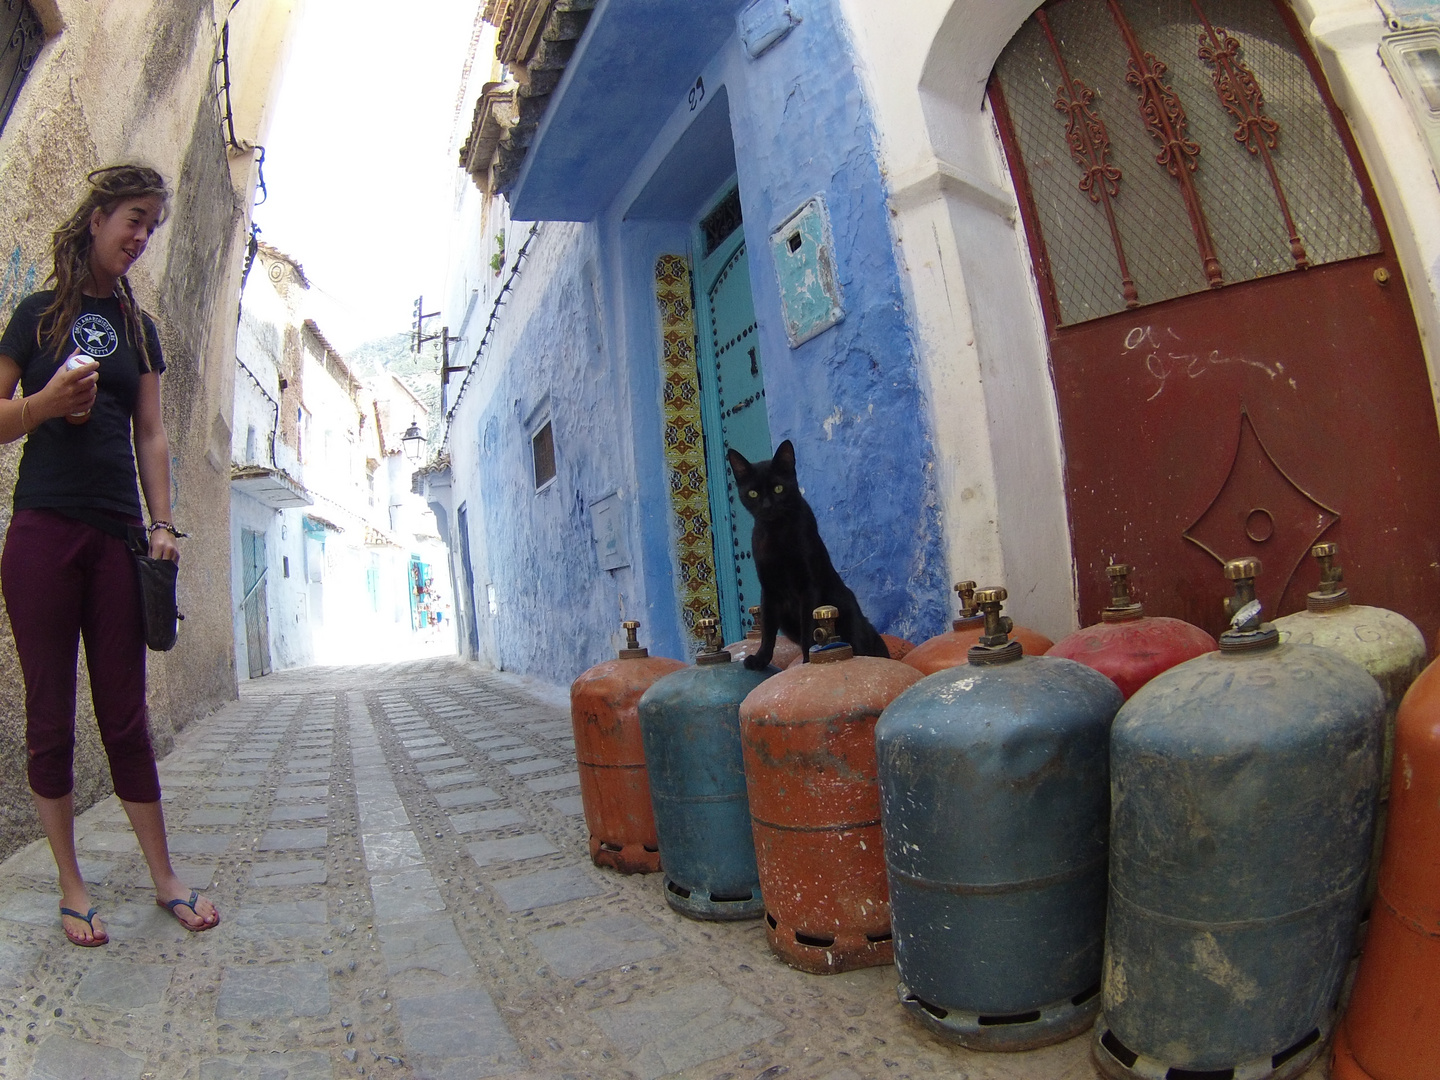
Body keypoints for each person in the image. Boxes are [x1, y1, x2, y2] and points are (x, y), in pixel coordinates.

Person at [0, 165, 219, 945]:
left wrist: (163, 524)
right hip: (42, 534)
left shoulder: (140, 330)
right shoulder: (32, 317)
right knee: (50, 716)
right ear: (95, 217)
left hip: (118, 536)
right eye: (133, 218)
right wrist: (44, 404)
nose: (139, 236)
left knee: (124, 714)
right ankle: (70, 882)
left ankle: (164, 875)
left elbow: (150, 432)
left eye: (152, 227)